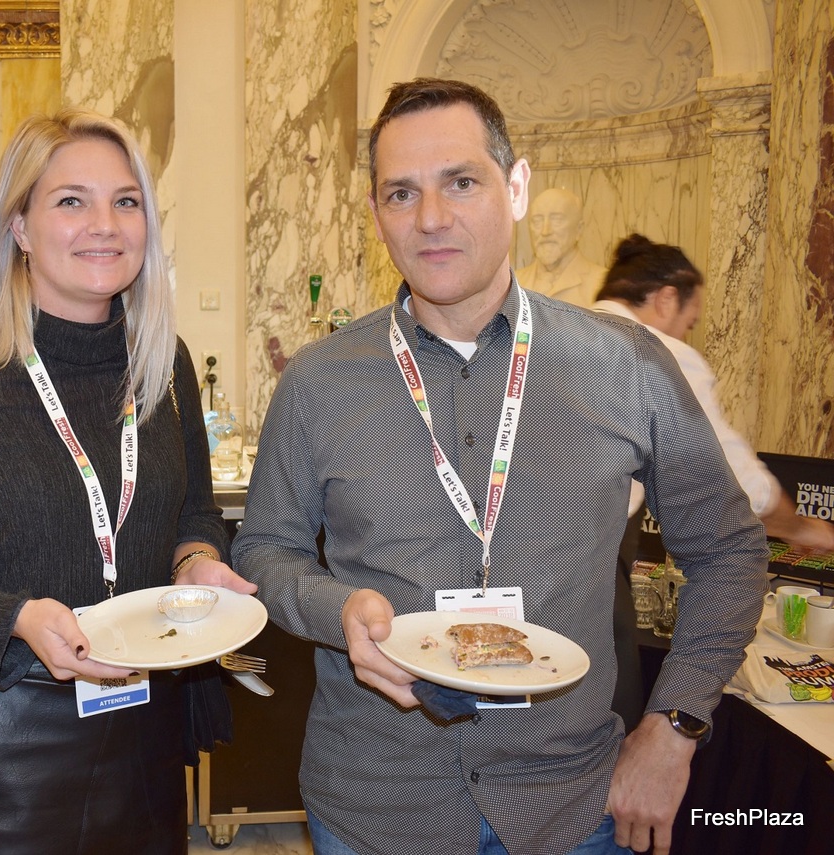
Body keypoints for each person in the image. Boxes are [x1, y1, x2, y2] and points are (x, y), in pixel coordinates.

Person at [232, 78, 768, 855]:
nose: (431, 217)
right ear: (376, 213)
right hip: (375, 804)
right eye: (401, 193)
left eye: (461, 182)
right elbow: (264, 549)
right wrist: (334, 608)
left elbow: (729, 548)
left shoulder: (626, 365)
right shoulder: (317, 382)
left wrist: (674, 724)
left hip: (572, 805)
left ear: (516, 188)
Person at [0, 108, 255, 855]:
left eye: (125, 201)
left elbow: (194, 510)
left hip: (145, 729)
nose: (105, 225)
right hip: (9, 737)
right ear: (21, 228)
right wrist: (16, 617)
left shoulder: (163, 364)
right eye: (72, 200)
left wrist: (197, 560)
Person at [594, 234, 834, 553]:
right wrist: (803, 530)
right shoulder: (659, 353)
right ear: (666, 300)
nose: (684, 336)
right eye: (689, 324)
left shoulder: (551, 333)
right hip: (580, 555)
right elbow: (732, 479)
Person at [515, 187, 607, 308]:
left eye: (557, 220)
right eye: (537, 221)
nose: (545, 231)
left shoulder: (602, 283)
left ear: (579, 229)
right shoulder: (514, 283)